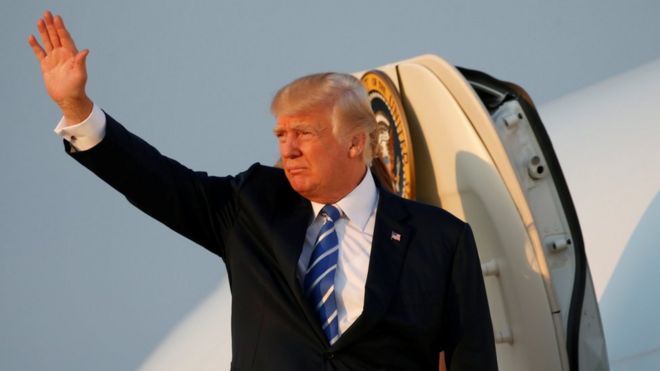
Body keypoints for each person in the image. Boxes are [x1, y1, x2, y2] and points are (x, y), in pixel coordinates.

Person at [28, 11, 498, 371]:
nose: (287, 150)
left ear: (356, 142)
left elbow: (470, 360)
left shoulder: (441, 240)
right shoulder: (252, 206)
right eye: (281, 135)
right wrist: (78, 108)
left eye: (305, 134)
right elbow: (159, 182)